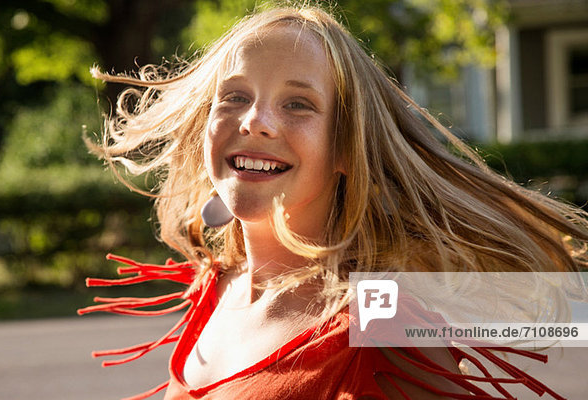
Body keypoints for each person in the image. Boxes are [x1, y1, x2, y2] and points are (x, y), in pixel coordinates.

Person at [79, 3, 588, 400]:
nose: (255, 120)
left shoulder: (382, 322)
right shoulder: (213, 286)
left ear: (346, 148)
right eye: (233, 96)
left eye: (297, 104)